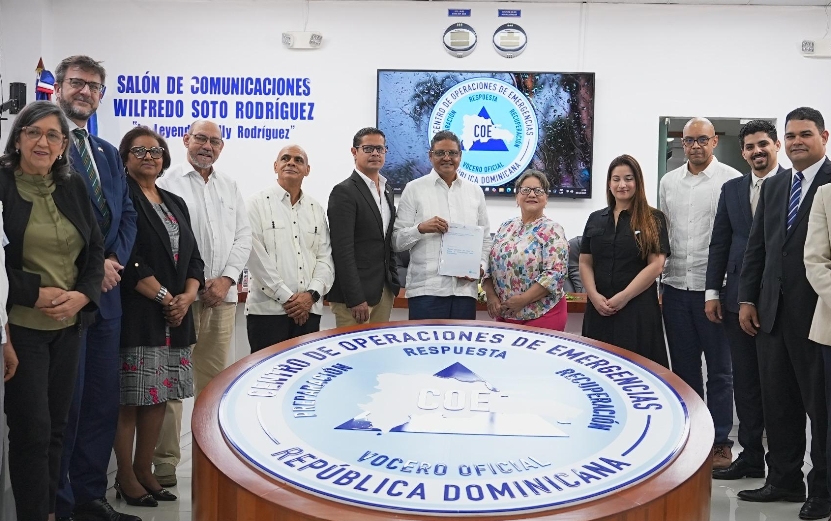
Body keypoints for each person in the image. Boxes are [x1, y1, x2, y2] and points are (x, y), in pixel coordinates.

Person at [1, 100, 104, 521]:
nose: (42, 142)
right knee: (32, 431)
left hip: (70, 326)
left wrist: (83, 295)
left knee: (58, 428)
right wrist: (31, 292)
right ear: (18, 138)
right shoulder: (3, 183)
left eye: (53, 136)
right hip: (21, 328)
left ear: (63, 146)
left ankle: (48, 513)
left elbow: (94, 248)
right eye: (33, 132)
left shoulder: (72, 185)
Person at [53, 55, 139, 521]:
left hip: (108, 298)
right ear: (59, 88)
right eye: (77, 83)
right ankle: (60, 504)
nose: (85, 91)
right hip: (67, 294)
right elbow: (52, 221)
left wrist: (113, 262)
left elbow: (126, 215)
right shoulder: (45, 143)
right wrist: (94, 266)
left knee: (101, 405)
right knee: (65, 406)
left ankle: (90, 497)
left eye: (93, 86)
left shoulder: (106, 152)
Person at [738, 107, 831, 520]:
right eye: (790, 135)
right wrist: (747, 298)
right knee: (778, 403)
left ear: (823, 137)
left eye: (805, 134)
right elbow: (757, 247)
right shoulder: (776, 186)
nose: (796, 142)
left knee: (821, 411)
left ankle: (823, 491)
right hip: (772, 314)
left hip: (819, 316)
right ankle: (784, 479)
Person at [154, 120, 250, 487]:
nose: (207, 146)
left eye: (214, 141)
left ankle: (213, 462)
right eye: (201, 139)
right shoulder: (166, 183)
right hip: (181, 301)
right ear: (186, 140)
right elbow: (163, 241)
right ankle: (165, 465)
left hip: (221, 301)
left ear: (221, 147)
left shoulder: (230, 186)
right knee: (173, 384)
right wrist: (191, 288)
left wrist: (226, 279)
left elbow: (243, 237)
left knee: (215, 386)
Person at [112, 126, 205, 508]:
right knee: (130, 399)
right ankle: (125, 476)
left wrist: (188, 297)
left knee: (158, 396)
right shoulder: (122, 197)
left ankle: (145, 470)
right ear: (124, 158)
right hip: (139, 314)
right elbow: (128, 258)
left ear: (165, 157)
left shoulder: (174, 201)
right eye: (139, 151)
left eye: (155, 151)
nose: (149, 156)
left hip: (175, 316)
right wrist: (167, 297)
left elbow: (194, 258)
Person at [659, 117, 741, 468]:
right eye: (689, 140)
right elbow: (664, 233)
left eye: (702, 140)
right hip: (676, 287)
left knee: (721, 372)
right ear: (683, 143)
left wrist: (721, 289)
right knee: (684, 370)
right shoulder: (668, 182)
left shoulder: (731, 181)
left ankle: (720, 441)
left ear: (714, 141)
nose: (695, 146)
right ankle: (692, 436)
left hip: (715, 292)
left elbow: (736, 237)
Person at [705, 120, 785, 481]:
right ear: (742, 152)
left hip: (781, 302)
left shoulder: (793, 185)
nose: (757, 151)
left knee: (779, 386)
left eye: (763, 144)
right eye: (750, 146)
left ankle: (782, 467)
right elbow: (720, 242)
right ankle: (751, 457)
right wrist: (713, 291)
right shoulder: (733, 189)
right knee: (746, 383)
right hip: (737, 299)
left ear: (776, 145)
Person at [579, 155, 669, 365]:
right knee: (597, 369)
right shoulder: (595, 218)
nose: (622, 185)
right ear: (609, 183)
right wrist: (593, 296)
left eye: (628, 179)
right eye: (616, 179)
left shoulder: (653, 218)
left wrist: (623, 297)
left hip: (637, 310)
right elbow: (584, 262)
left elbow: (656, 265)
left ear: (638, 182)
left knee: (638, 371)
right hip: (599, 308)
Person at [392, 130, 491, 320]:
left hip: (464, 292)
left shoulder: (475, 192)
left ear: (460, 156)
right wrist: (420, 229)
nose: (447, 158)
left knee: (462, 342)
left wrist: (480, 267)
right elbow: (396, 242)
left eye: (452, 153)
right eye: (440, 153)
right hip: (426, 291)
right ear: (430, 156)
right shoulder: (414, 189)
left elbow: (485, 240)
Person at [245, 145, 334, 351]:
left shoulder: (316, 209)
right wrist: (289, 299)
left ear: (307, 170)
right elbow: (256, 258)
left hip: (308, 312)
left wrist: (311, 295)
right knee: (268, 371)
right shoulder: (256, 204)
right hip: (267, 313)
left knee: (306, 371)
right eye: (285, 158)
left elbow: (325, 258)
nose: (291, 163)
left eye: (298, 160)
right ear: (275, 166)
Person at [327, 127, 400, 326]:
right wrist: (355, 297)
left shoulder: (387, 190)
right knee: (353, 347)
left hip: (383, 291)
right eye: (368, 149)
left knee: (379, 347)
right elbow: (342, 250)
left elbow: (386, 242)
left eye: (380, 149)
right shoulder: (343, 192)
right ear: (354, 152)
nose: (375, 153)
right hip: (355, 298)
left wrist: (392, 280)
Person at [482, 170, 568, 330]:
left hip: (543, 314)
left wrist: (523, 300)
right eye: (526, 190)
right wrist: (491, 295)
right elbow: (488, 267)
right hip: (506, 314)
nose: (532, 194)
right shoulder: (505, 227)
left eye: (538, 190)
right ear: (517, 197)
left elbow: (555, 274)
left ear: (546, 198)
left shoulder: (553, 230)